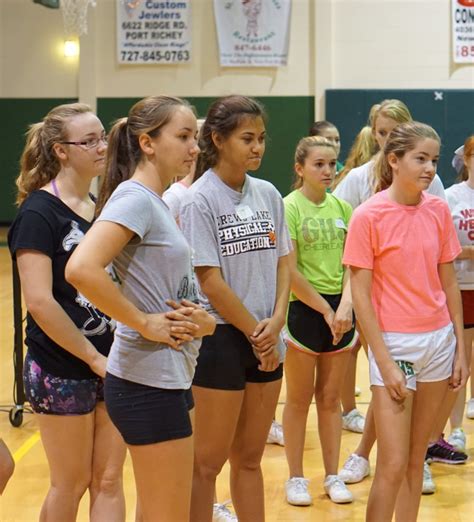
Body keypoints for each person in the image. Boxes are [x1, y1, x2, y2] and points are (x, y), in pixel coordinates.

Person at [66, 96, 216, 522]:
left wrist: (203, 321)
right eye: (184, 136)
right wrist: (143, 322)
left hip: (168, 376)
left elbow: (169, 286)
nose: (194, 148)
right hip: (145, 381)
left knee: (160, 512)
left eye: (195, 138)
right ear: (147, 143)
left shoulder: (158, 201)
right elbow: (81, 268)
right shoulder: (135, 199)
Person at [343, 121, 468, 522]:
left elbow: (448, 282)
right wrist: (383, 361)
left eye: (433, 159)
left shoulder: (437, 210)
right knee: (393, 464)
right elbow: (360, 296)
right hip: (394, 346)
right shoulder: (368, 215)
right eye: (420, 158)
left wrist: (461, 352)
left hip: (439, 343)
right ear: (394, 161)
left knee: (417, 460)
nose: (430, 168)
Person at [7, 103, 126, 521]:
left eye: (102, 138)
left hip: (113, 361)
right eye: (89, 140)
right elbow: (40, 302)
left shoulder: (107, 206)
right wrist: (94, 359)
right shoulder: (38, 213)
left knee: (110, 479)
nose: (101, 147)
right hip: (61, 366)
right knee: (71, 482)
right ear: (61, 150)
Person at [179, 95, 291, 522]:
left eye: (261, 138)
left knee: (250, 459)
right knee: (207, 463)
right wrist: (254, 332)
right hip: (223, 338)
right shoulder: (199, 200)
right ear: (218, 139)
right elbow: (209, 278)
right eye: (247, 138)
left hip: (267, 333)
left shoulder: (269, 194)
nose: (258, 147)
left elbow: (284, 260)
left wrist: (277, 319)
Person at [336, 100, 447, 491]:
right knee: (390, 383)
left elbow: (439, 260)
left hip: (429, 326)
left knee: (405, 415)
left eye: (392, 132)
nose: (384, 140)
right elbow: (354, 259)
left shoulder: (431, 191)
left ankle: (392, 455)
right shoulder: (358, 186)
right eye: (380, 133)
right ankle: (366, 454)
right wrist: (346, 302)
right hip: (382, 312)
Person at [164, 116, 238, 522]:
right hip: (184, 332)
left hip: (198, 330)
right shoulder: (178, 198)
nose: (194, 147)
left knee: (205, 443)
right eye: (185, 137)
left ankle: (204, 504)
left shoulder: (207, 195)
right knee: (194, 444)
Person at [282, 136, 357, 506]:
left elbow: (353, 266)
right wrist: (325, 311)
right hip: (304, 310)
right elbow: (290, 270)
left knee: (330, 399)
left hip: (341, 311)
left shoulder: (344, 208)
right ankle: (295, 476)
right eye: (319, 164)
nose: (328, 171)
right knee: (297, 400)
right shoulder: (289, 208)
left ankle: (331, 474)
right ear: (300, 169)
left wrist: (344, 306)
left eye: (332, 164)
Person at [443, 136, 474, 450]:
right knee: (460, 361)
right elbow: (444, 249)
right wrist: (463, 252)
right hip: (462, 288)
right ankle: (455, 428)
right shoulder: (451, 197)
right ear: (466, 159)